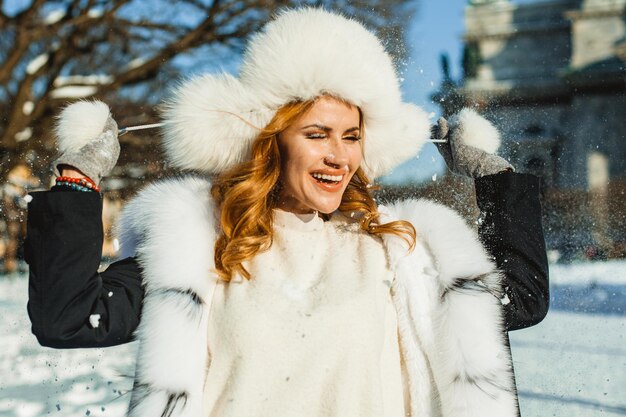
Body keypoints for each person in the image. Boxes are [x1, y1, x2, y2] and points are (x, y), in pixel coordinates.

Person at [25, 8, 549, 417]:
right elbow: (69, 319)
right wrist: (77, 184)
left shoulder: (400, 251)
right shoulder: (203, 243)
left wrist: (496, 180)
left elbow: (519, 298)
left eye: (351, 137)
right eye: (316, 135)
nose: (338, 156)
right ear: (271, 144)